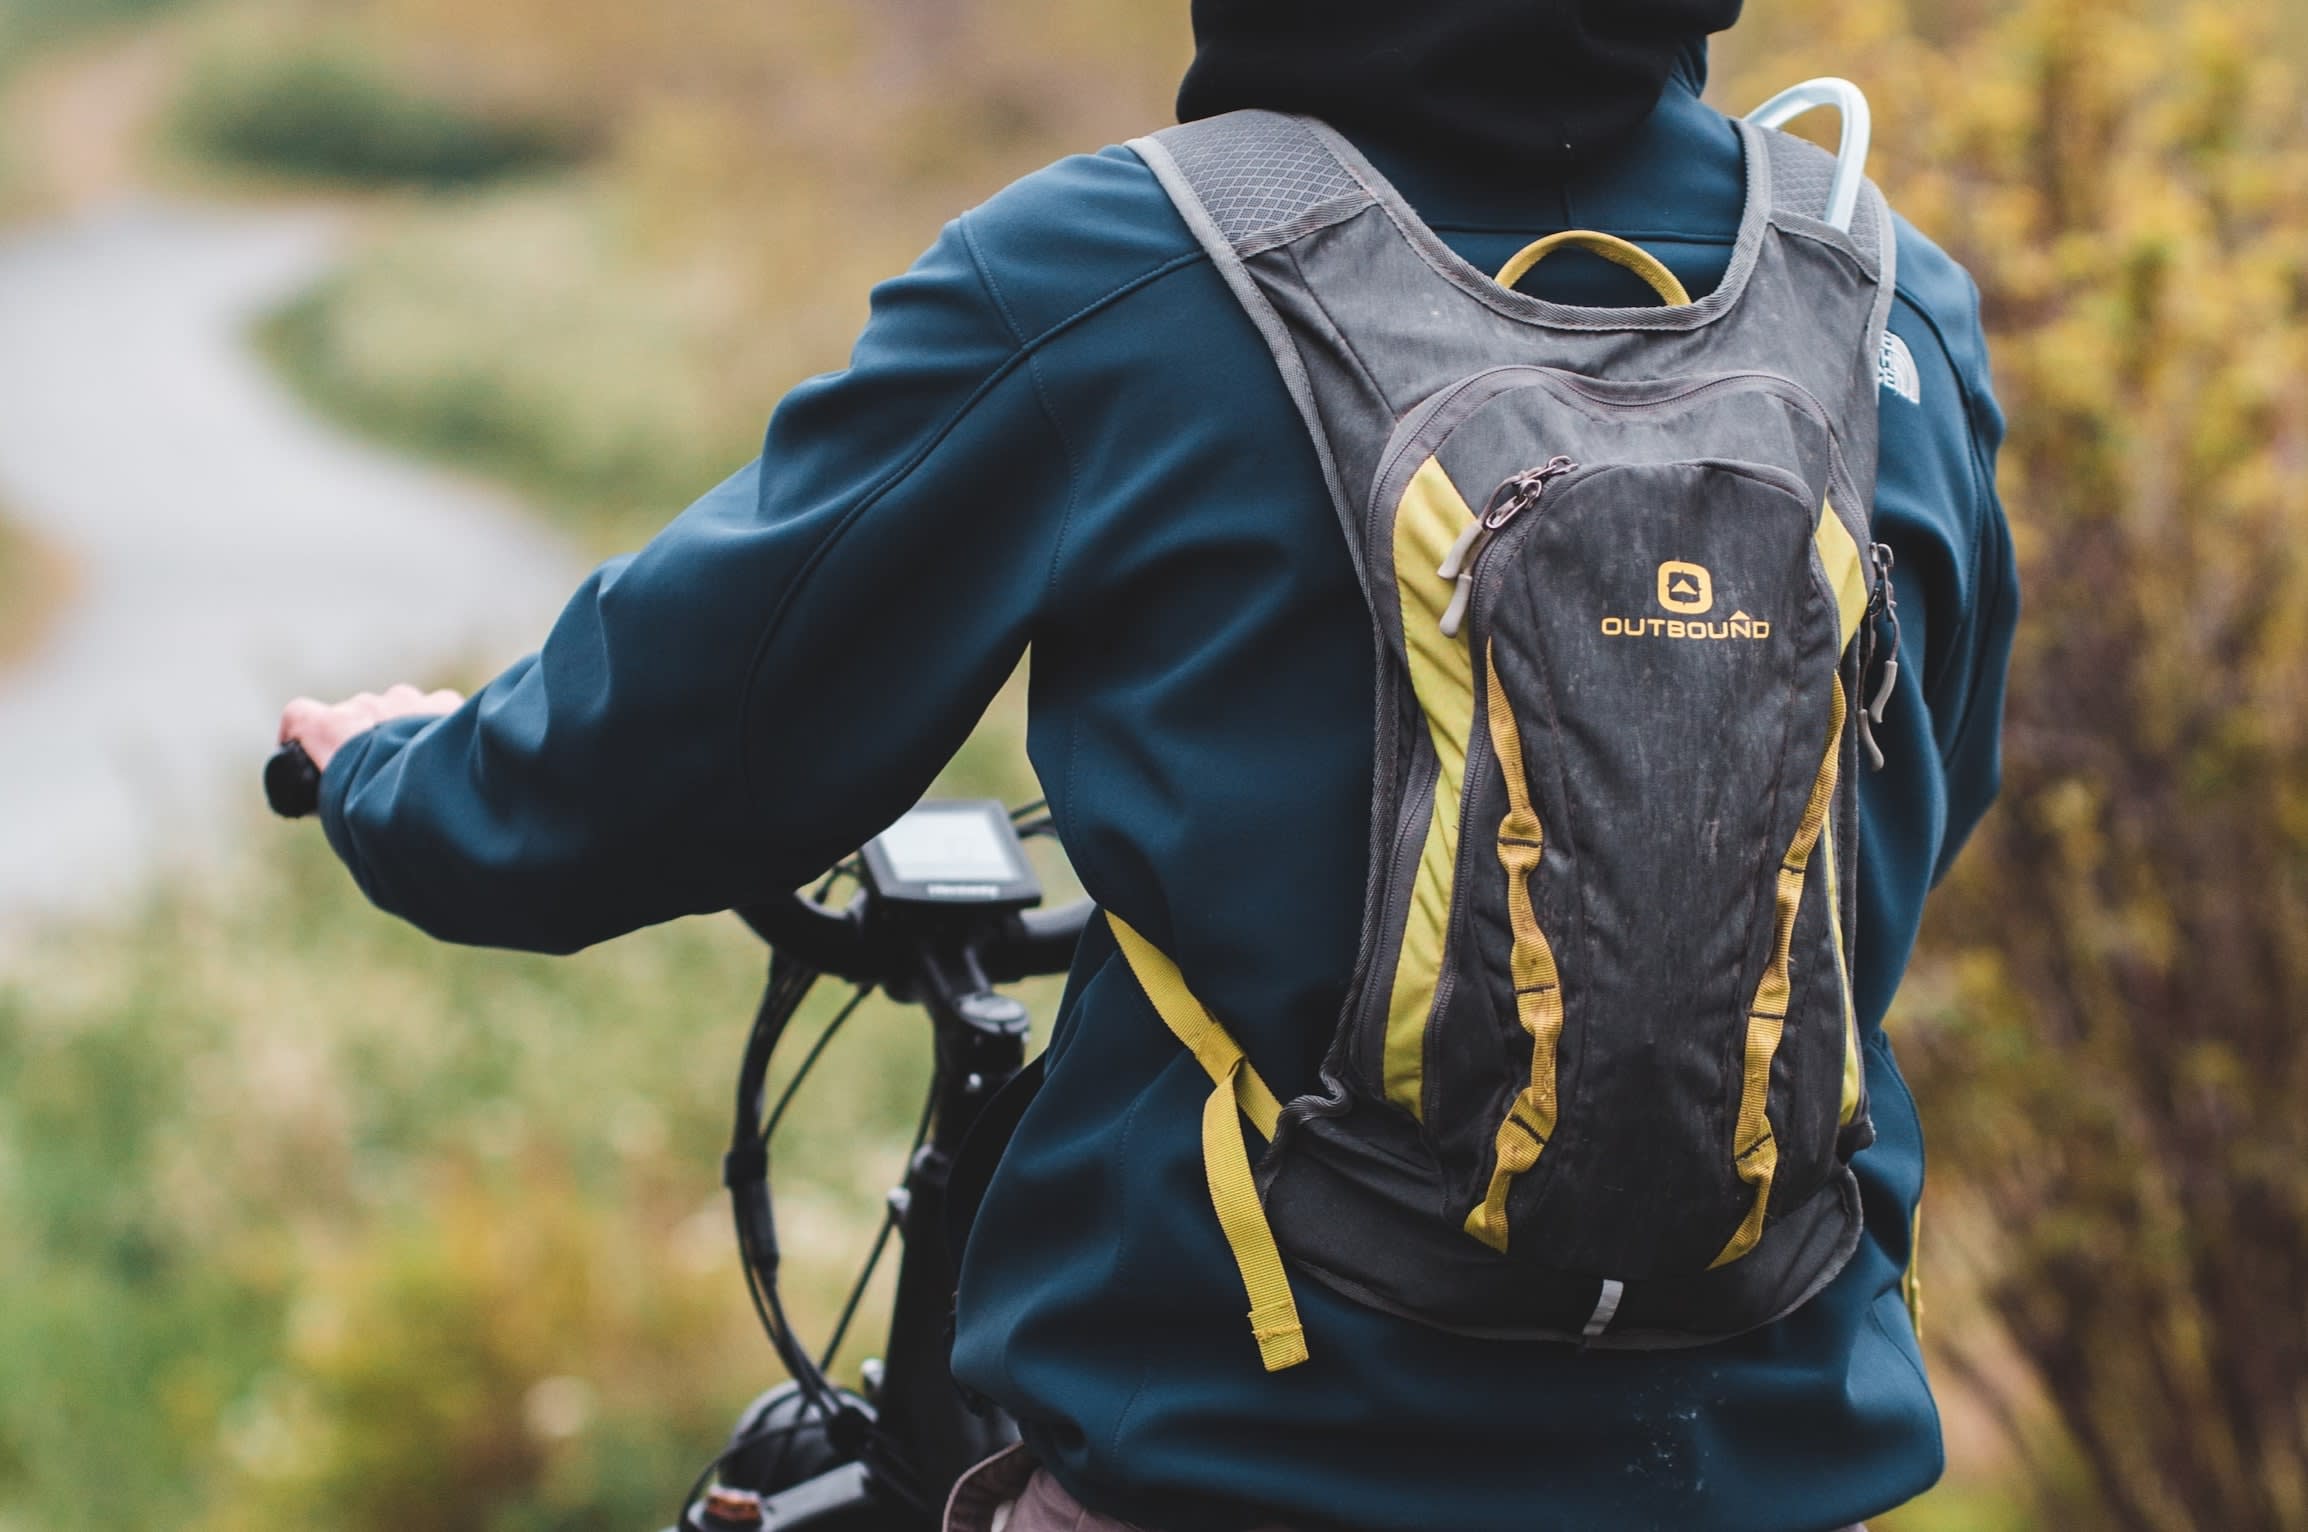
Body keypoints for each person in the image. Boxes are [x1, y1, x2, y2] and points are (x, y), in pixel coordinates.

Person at [279, 2, 2017, 1528]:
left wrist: (399, 775)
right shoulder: (1887, 307)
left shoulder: (1122, 271)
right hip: (1764, 1482)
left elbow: (658, 755)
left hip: (1244, 1462)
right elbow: (1921, 813)